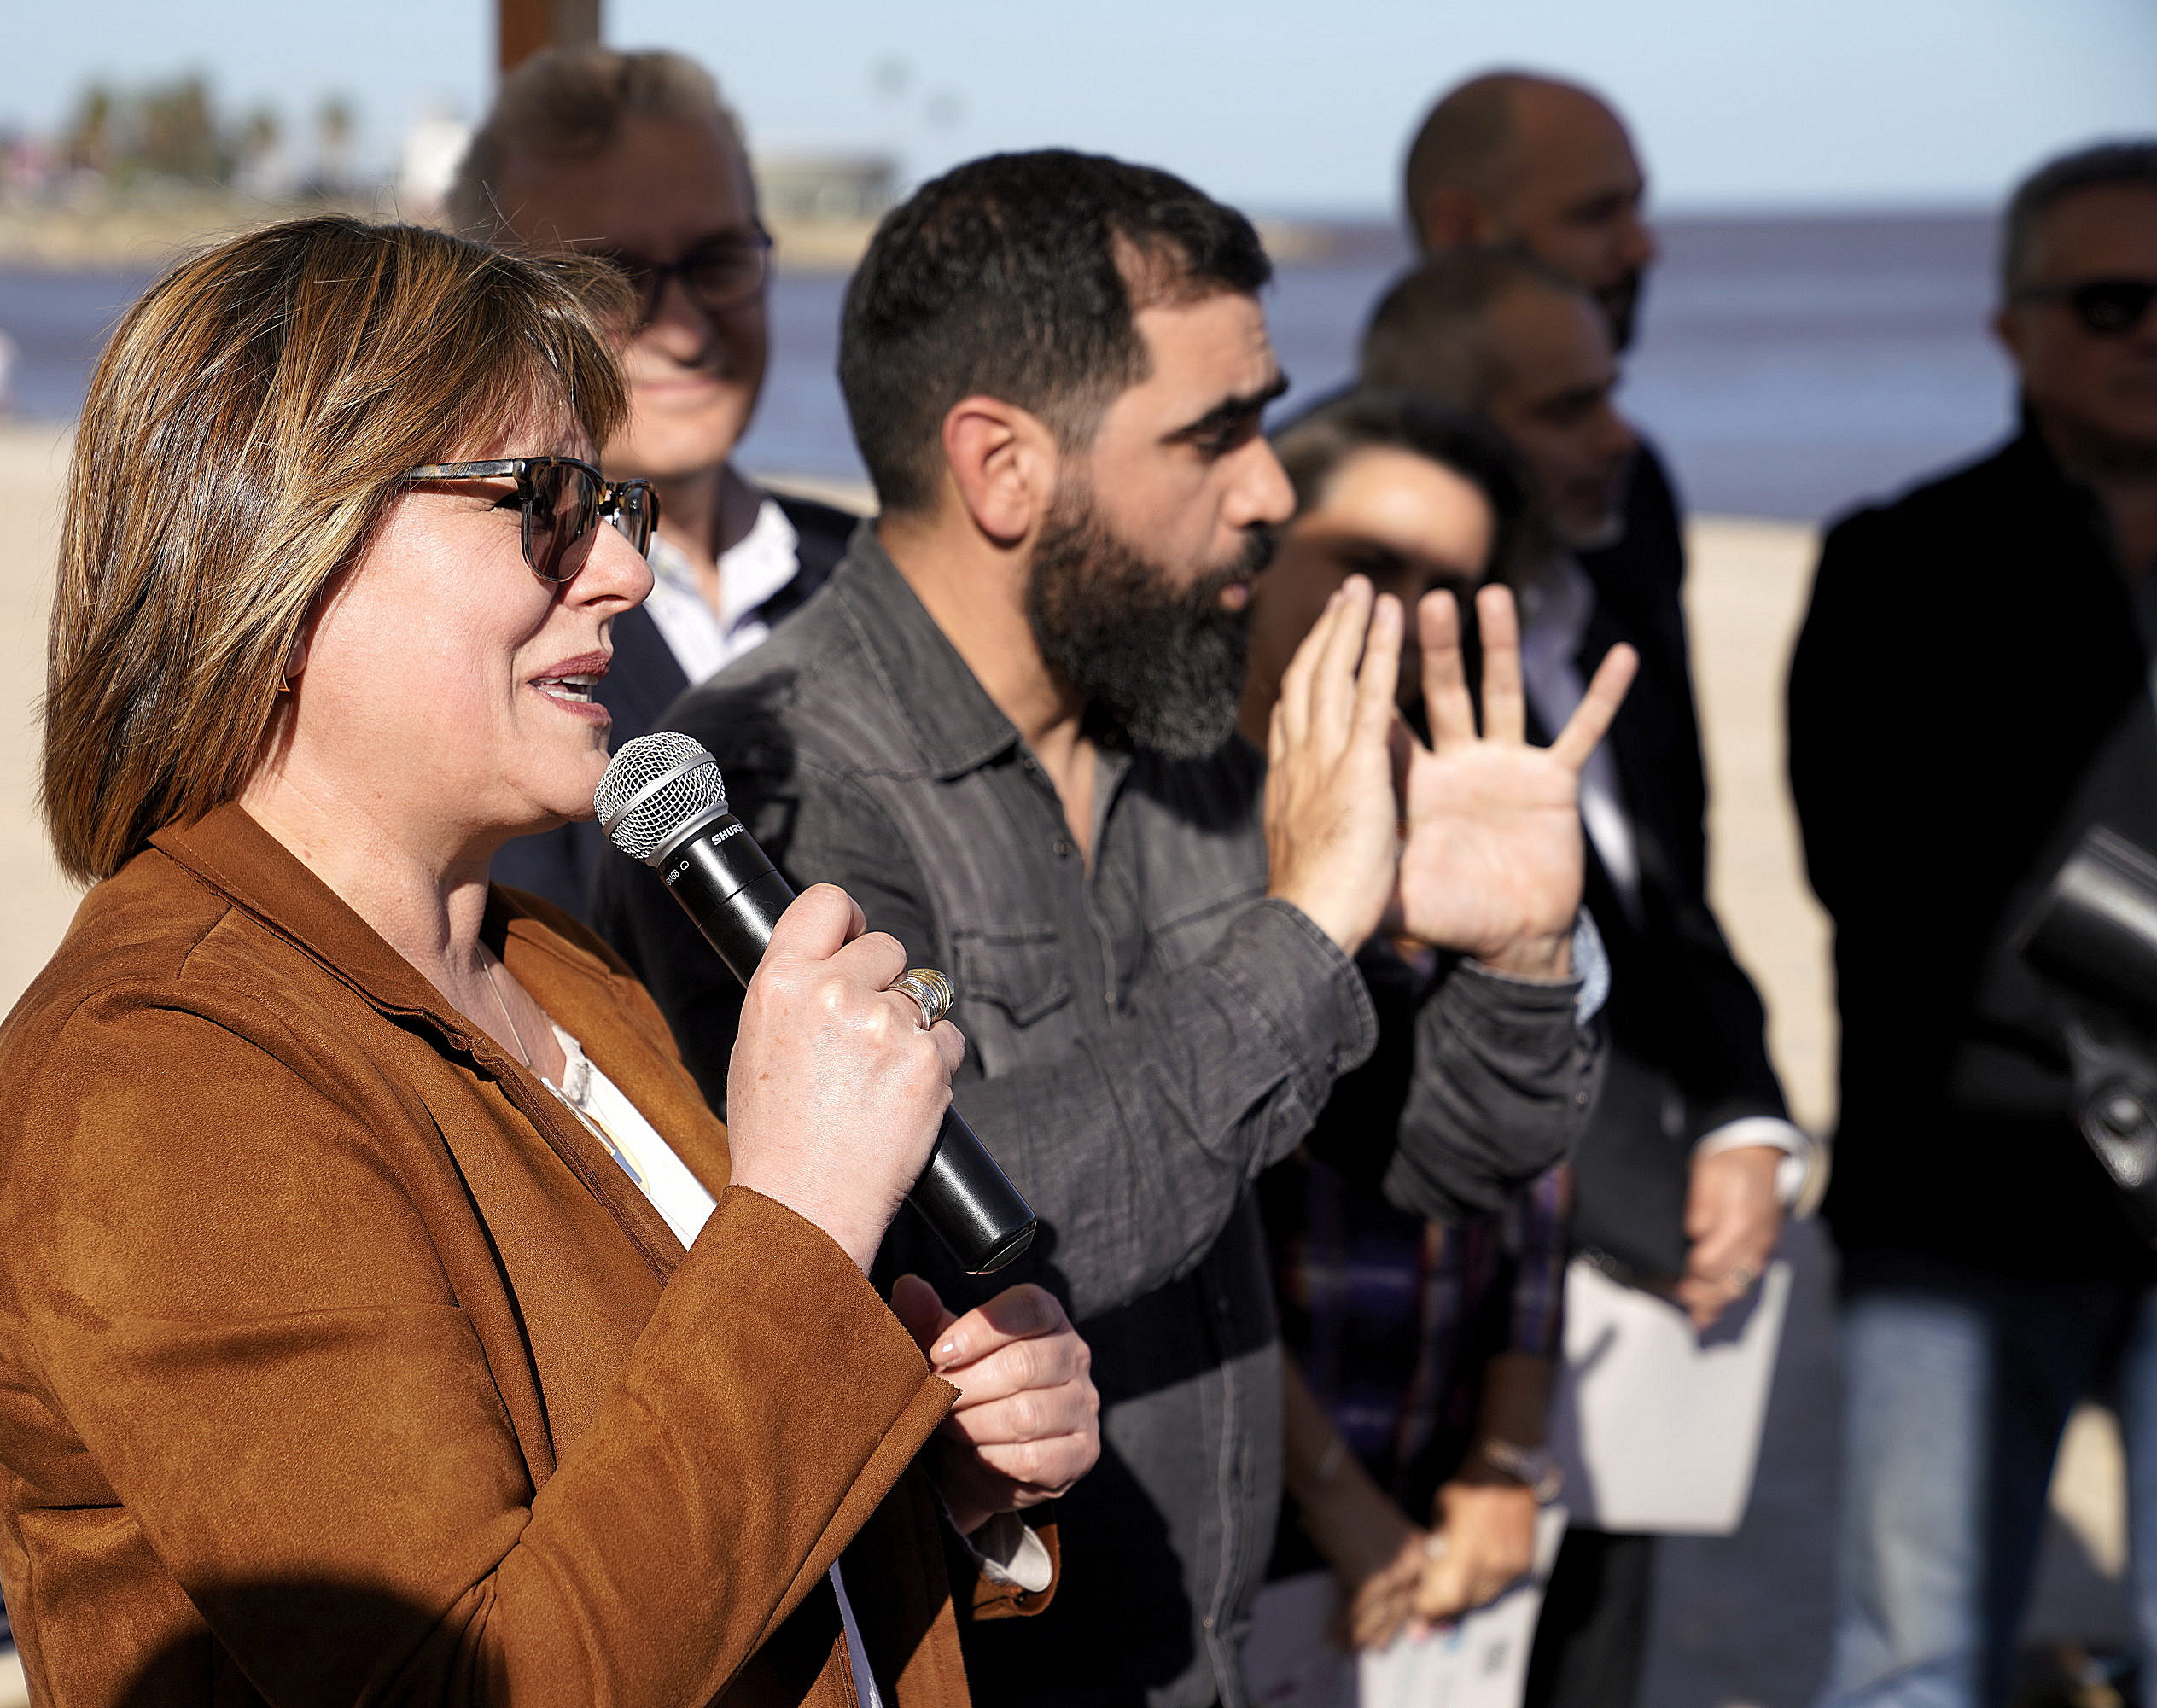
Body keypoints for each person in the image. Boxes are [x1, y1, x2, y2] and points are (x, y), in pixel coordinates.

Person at [0, 214, 1103, 1708]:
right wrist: (805, 1228)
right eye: (542, 503)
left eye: (611, 499)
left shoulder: (550, 962)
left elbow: (668, 1513)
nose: (621, 565)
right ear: (275, 553)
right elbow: (484, 1681)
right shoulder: (159, 1077)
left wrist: (936, 1479)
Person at [595, 149, 1633, 1708]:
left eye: (1267, 420)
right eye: (1217, 433)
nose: (1274, 489)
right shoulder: (765, 791)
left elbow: (1455, 1154)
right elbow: (966, 1243)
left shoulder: (1186, 736)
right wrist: (1311, 925)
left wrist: (1524, 949)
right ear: (1004, 466)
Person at [1359, 244, 1814, 1708]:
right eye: (1568, 409)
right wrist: (1648, 1211)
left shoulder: (1598, 596)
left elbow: (1673, 897)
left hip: (1647, 1294)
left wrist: (1749, 1120)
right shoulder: (1369, 673)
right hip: (1470, 1316)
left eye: (1610, 392)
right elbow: (1399, 1028)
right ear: (1454, 429)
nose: (1618, 433)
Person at [1788, 140, 2157, 1708]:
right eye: (2109, 297)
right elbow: (1895, 874)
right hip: (1966, 1203)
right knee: (1913, 1657)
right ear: (2011, 325)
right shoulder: (1902, 561)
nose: (2151, 329)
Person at [1237, 397, 1573, 1695]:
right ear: (1262, 540)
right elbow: (1179, 1223)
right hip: (1249, 1481)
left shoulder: (1475, 789)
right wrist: (1334, 1497)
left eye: (1451, 585)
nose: (1404, 610)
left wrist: (1508, 1446)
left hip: (1433, 1441)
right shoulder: (1168, 813)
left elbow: (1534, 1157)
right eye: (1367, 563)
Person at [451, 46, 861, 918]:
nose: (681, 326)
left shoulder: (871, 573)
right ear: (493, 312)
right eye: (617, 279)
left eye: (718, 262)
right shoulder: (485, 645)